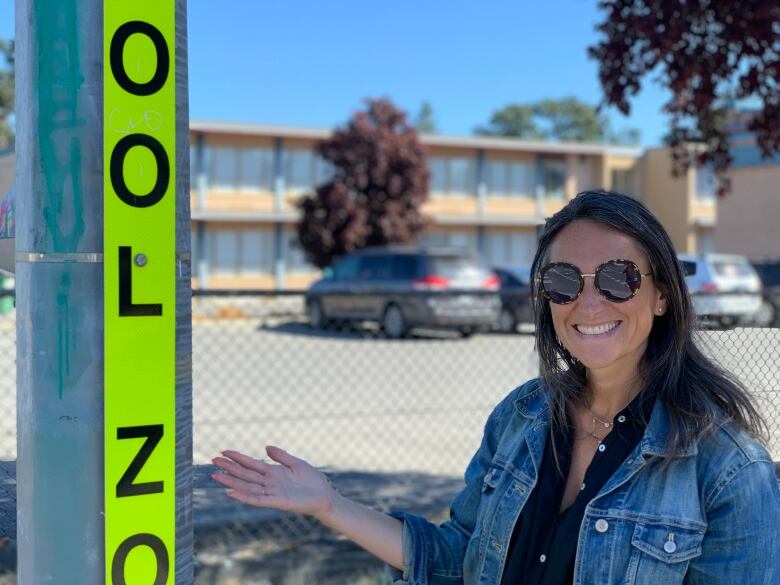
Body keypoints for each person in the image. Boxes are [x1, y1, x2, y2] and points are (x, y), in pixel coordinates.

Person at [212, 190, 780, 584]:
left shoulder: (728, 471)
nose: (588, 302)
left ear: (660, 296)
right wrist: (329, 505)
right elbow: (456, 559)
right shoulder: (521, 417)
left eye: (617, 277)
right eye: (562, 281)